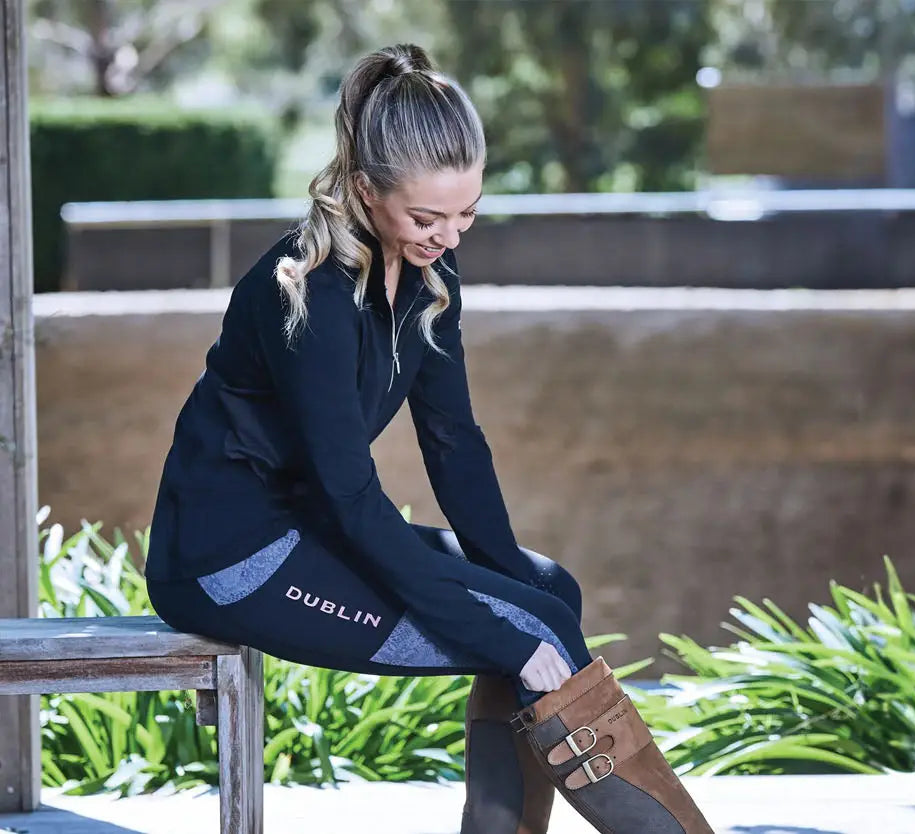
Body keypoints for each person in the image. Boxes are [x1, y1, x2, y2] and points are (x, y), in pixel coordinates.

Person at [143, 43, 715, 834]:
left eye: (466, 213)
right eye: (427, 216)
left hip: (313, 534)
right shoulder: (306, 294)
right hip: (233, 562)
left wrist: (510, 582)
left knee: (550, 596)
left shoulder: (428, 281)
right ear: (367, 190)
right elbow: (350, 496)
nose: (449, 236)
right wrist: (501, 628)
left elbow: (454, 442)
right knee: (524, 629)